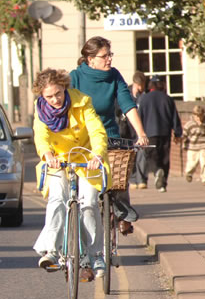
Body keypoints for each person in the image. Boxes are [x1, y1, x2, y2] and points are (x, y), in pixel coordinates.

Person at [32, 69, 109, 281]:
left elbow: (97, 131)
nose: (55, 99)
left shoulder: (82, 102)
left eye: (58, 93)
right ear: (41, 95)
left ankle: (97, 255)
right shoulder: (40, 110)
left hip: (86, 159)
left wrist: (98, 155)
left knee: (89, 204)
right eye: (49, 96)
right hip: (58, 161)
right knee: (57, 199)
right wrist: (47, 155)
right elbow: (41, 135)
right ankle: (52, 251)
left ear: (64, 87)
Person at [70, 36, 148, 234]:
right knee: (82, 193)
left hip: (108, 136)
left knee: (118, 172)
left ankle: (122, 212)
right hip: (82, 139)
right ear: (90, 59)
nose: (109, 59)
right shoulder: (75, 77)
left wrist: (141, 133)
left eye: (110, 55)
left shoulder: (114, 76)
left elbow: (127, 104)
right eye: (104, 56)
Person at [138, 75, 182, 192]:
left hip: (149, 132)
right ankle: (162, 184)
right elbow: (174, 117)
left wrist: (139, 133)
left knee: (151, 155)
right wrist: (178, 133)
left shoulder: (145, 99)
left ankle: (157, 170)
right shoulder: (167, 99)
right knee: (165, 157)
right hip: (165, 132)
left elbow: (139, 117)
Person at [127, 71, 149, 188]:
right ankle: (132, 179)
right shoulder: (126, 93)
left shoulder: (144, 96)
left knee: (142, 154)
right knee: (131, 156)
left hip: (140, 130)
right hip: (128, 130)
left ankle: (141, 180)